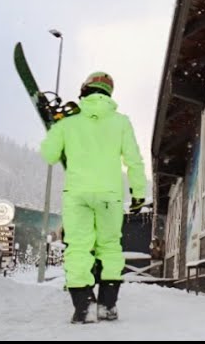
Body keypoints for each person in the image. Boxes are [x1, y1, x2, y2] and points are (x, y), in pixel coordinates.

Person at [40, 71, 147, 324]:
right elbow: (134, 160)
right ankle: (107, 305)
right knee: (109, 246)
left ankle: (84, 305)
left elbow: (49, 155)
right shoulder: (121, 122)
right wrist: (138, 194)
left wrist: (56, 126)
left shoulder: (68, 123)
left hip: (77, 193)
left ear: (84, 89)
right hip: (109, 195)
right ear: (109, 93)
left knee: (78, 247)